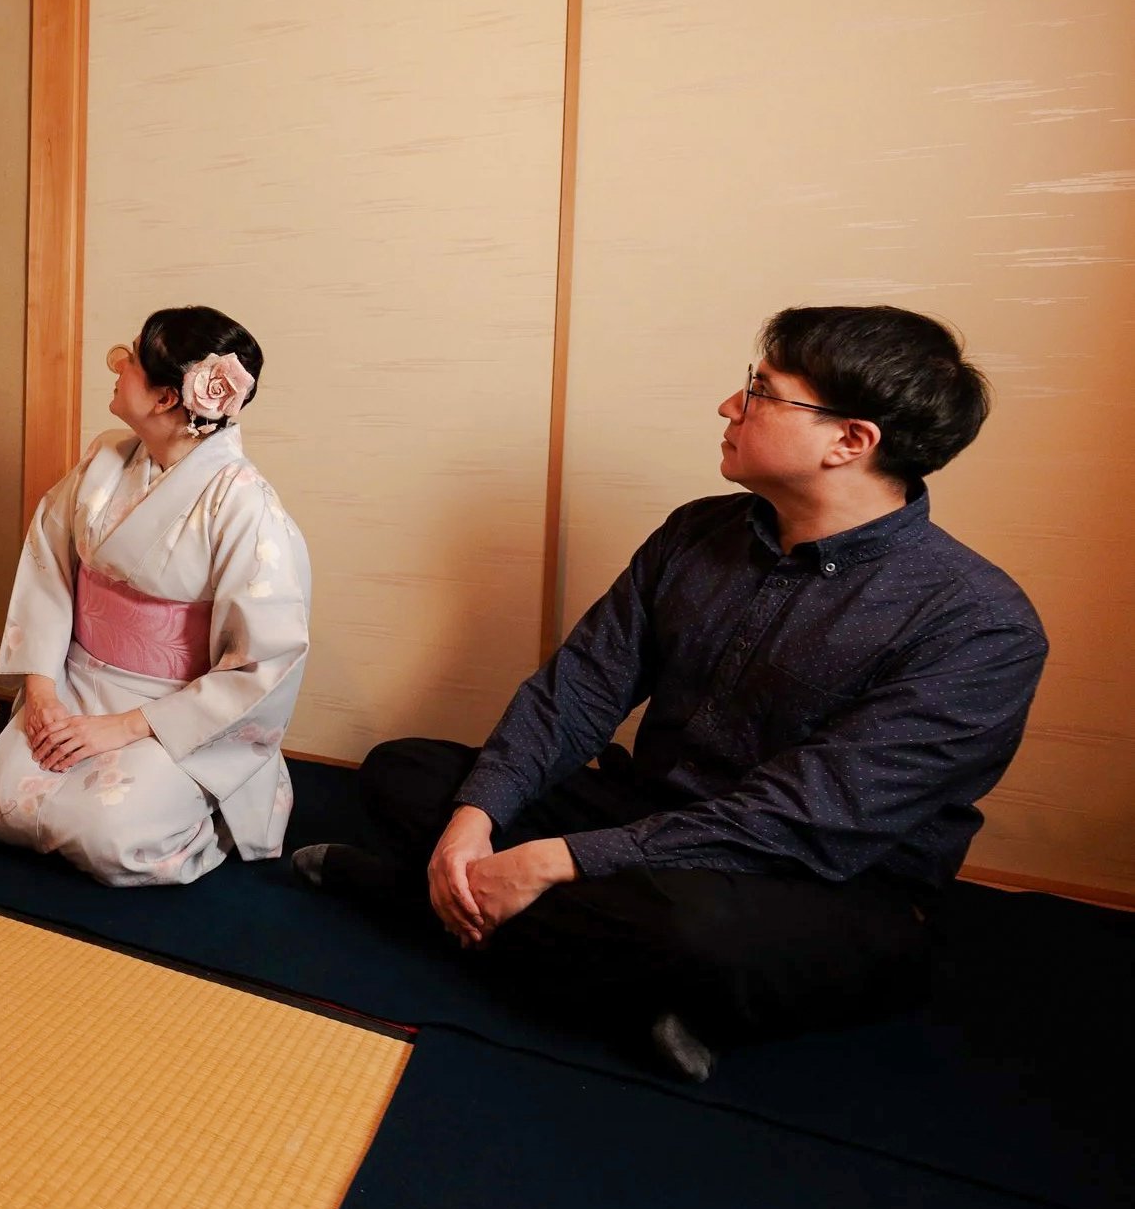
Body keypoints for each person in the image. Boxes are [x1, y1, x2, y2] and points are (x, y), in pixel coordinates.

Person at [294, 306, 1045, 1080]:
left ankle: (409, 899)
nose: (730, 405)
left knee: (692, 933)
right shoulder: (698, 531)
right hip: (648, 818)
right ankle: (612, 984)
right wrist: (475, 819)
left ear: (849, 440)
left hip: (816, 879)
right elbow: (576, 690)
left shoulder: (979, 624)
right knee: (406, 774)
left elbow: (804, 819)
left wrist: (554, 861)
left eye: (761, 390)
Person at [0, 306, 311, 885]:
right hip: (77, 681)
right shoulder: (104, 458)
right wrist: (42, 691)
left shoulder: (245, 504)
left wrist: (123, 727)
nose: (117, 365)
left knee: (109, 839)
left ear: (167, 398)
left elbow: (263, 660)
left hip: (172, 710)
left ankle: (213, 811)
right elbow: (49, 567)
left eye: (130, 358)